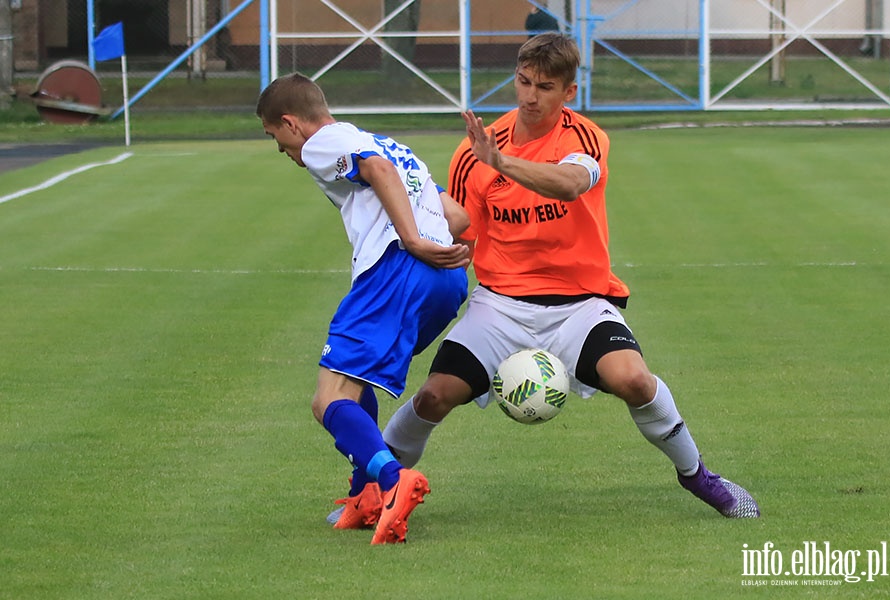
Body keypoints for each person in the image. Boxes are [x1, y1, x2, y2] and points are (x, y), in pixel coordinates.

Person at [382, 33, 760, 520]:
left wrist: (501, 162)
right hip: (500, 305)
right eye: (523, 82)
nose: (530, 96)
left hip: (578, 305)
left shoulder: (583, 138)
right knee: (433, 396)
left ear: (569, 93)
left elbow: (570, 184)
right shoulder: (472, 152)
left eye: (545, 86)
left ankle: (699, 477)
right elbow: (462, 236)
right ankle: (375, 490)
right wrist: (418, 230)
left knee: (635, 381)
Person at [256, 73, 471, 544]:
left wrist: (412, 240)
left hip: (400, 265)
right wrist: (437, 245)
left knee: (327, 399)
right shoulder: (390, 143)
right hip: (447, 279)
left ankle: (394, 480)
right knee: (358, 380)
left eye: (278, 141)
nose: (287, 155)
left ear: (291, 124)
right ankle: (366, 492)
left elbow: (376, 170)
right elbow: (458, 218)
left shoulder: (323, 143)